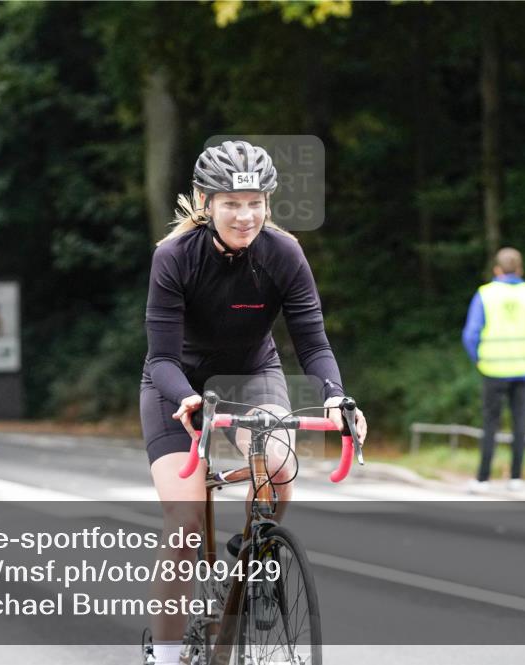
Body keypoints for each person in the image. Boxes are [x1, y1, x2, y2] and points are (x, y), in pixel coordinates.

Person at [139, 140, 367, 665]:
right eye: (231, 203)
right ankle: (167, 654)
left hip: (251, 376)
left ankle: (256, 556)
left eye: (255, 202)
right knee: (185, 524)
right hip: (177, 384)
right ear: (205, 201)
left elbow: (313, 344)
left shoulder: (283, 253)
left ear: (268, 202)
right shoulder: (174, 257)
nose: (245, 215)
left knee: (281, 469)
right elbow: (162, 358)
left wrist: (335, 398)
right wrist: (188, 398)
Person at [462, 247, 525, 492]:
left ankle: (483, 479)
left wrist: (478, 359)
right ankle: (516, 478)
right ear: (520, 269)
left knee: (490, 424)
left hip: (492, 368)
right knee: (520, 423)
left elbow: (470, 334)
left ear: (497, 270)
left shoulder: (485, 294)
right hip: (523, 367)